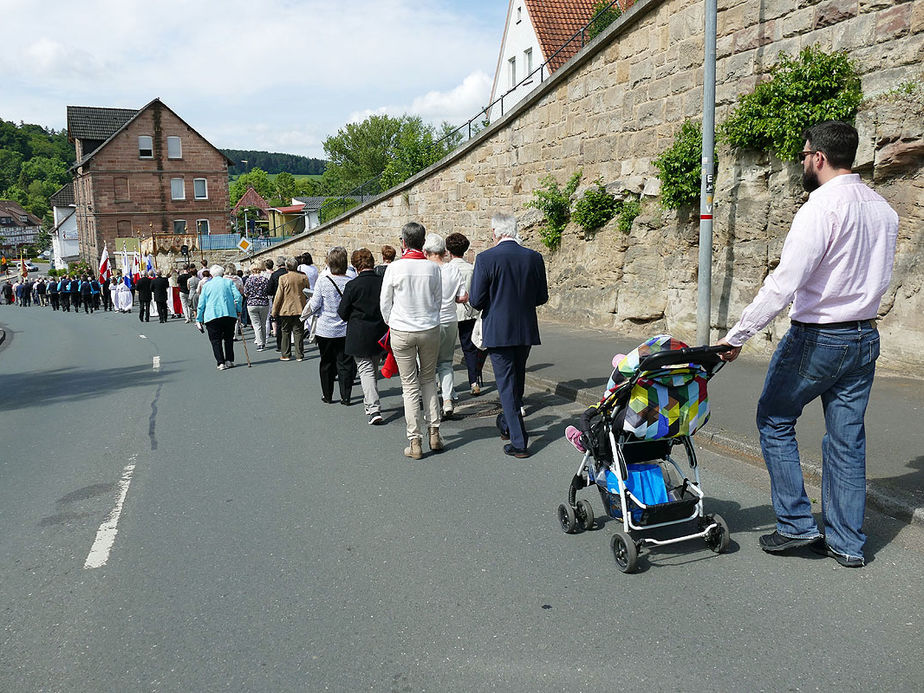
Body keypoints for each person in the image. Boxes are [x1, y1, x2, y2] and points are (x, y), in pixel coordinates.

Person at [716, 121, 899, 568]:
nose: (802, 161)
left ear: (818, 157)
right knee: (847, 440)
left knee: (775, 419)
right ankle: (847, 544)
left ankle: (797, 526)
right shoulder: (884, 210)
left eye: (803, 154)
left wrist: (737, 337)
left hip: (818, 338)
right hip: (863, 336)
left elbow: (783, 285)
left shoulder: (820, 208)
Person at [469, 212, 549, 459]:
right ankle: (507, 423)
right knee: (517, 379)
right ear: (514, 230)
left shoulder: (485, 259)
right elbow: (541, 296)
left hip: (498, 328)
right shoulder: (533, 257)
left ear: (495, 232)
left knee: (506, 384)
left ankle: (519, 441)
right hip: (524, 327)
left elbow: (476, 299)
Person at [380, 222, 444, 459]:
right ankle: (434, 433)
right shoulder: (433, 269)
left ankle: (414, 441)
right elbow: (438, 300)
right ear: (423, 242)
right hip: (429, 328)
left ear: (403, 242)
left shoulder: (394, 268)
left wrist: (393, 323)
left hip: (402, 330)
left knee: (409, 386)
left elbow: (385, 303)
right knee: (428, 379)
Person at [338, 248, 388, 424]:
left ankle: (374, 409)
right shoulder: (382, 282)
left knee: (366, 372)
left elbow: (342, 312)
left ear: (356, 266)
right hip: (379, 331)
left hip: (359, 333)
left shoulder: (352, 285)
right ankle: (369, 404)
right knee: (372, 369)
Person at [423, 233, 468, 418]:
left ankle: (431, 403)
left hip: (429, 321)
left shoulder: (425, 270)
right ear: (444, 251)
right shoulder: (453, 270)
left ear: (426, 252)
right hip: (450, 319)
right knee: (446, 363)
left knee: (427, 366)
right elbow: (462, 297)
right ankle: (448, 400)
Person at [306, 247, 354, 403]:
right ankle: (345, 396)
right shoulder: (350, 281)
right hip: (345, 328)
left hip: (325, 328)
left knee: (326, 363)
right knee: (345, 363)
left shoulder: (323, 281)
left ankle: (327, 395)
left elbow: (315, 304)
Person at [446, 232, 487, 396]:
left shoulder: (446, 269)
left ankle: (447, 386)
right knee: (469, 349)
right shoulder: (471, 269)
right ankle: (474, 381)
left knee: (445, 352)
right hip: (468, 312)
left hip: (449, 312)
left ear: (448, 250)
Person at [196, 264, 242, 370]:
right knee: (228, 338)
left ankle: (220, 362)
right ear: (222, 274)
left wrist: (199, 318)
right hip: (228, 313)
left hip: (212, 315)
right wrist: (238, 310)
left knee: (215, 340)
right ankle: (229, 360)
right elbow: (238, 297)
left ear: (211, 274)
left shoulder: (207, 285)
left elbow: (201, 303)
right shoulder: (228, 282)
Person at [272, 257, 310, 362]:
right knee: (298, 332)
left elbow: (279, 295)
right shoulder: (303, 277)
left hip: (285, 308)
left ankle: (286, 354)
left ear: (287, 267)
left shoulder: (283, 278)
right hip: (299, 307)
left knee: (285, 331)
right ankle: (299, 354)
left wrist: (274, 310)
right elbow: (308, 292)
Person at [243, 263, 270, 351]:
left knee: (256, 325)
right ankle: (264, 342)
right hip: (263, 303)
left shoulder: (249, 280)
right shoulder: (265, 280)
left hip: (252, 303)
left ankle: (260, 343)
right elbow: (268, 291)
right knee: (263, 323)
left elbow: (246, 293)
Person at [266, 256, 288, 352]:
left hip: (278, 301)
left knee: (279, 325)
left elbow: (269, 290)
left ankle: (280, 345)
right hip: (289, 301)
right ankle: (289, 343)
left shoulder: (274, 275)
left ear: (278, 265)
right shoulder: (288, 273)